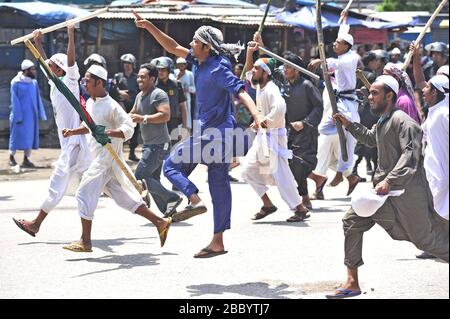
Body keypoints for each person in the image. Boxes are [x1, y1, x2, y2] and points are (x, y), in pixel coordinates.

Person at [134, 12, 261, 258]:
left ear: (205, 46)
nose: (190, 44)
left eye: (194, 41)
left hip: (214, 134)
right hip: (222, 136)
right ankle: (218, 241)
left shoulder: (218, 69)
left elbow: (241, 90)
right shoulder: (199, 61)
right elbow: (172, 46)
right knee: (219, 186)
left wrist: (256, 116)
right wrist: (149, 26)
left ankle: (193, 199)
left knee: (171, 165)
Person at [326, 75, 449, 299]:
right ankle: (352, 281)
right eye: (370, 93)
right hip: (382, 194)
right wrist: (349, 124)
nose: (370, 97)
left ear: (389, 95)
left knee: (426, 241)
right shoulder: (384, 120)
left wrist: (389, 181)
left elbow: (410, 156)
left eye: (374, 93)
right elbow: (372, 139)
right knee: (352, 221)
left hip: (407, 194)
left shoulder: (404, 121)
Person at [61, 65, 172, 252]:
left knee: (83, 192)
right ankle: (160, 222)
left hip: (106, 159)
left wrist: (108, 132)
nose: (84, 83)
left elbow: (128, 128)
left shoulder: (112, 105)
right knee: (122, 199)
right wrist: (73, 131)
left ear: (99, 82)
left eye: (87, 80)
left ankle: (85, 241)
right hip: (99, 157)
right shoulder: (90, 102)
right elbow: (90, 125)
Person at [12, 25, 92, 238]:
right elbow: (43, 61)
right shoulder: (55, 83)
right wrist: (38, 42)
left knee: (57, 183)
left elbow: (71, 61)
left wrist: (71, 34)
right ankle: (140, 199)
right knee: (100, 181)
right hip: (71, 143)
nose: (49, 67)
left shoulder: (71, 82)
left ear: (60, 68)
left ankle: (36, 223)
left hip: (75, 143)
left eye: (53, 65)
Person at [241, 52, 310, 222]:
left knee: (281, 174)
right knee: (247, 170)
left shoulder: (271, 89)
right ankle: (267, 205)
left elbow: (280, 108)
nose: (253, 71)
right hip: (263, 137)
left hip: (274, 137)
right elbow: (246, 73)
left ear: (266, 72)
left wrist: (263, 122)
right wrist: (250, 52)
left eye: (257, 68)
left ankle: (300, 208)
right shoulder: (259, 86)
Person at [308, 19, 361, 198]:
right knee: (332, 147)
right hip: (338, 107)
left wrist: (319, 61)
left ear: (346, 45)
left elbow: (336, 64)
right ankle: (347, 175)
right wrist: (344, 19)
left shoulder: (350, 58)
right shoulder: (342, 56)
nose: (334, 44)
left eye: (338, 42)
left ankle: (329, 176)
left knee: (329, 139)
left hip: (345, 108)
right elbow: (342, 35)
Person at [131, 63, 182, 217]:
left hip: (158, 144)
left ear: (152, 79)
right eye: (138, 76)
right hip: (149, 144)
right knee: (152, 178)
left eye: (143, 77)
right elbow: (131, 114)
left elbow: (165, 115)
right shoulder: (140, 96)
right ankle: (169, 209)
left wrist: (143, 118)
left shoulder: (158, 94)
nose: (139, 79)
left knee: (140, 177)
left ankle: (172, 197)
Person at [8, 59, 46, 168]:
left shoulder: (33, 83)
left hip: (31, 117)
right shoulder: (15, 82)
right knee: (15, 137)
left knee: (29, 138)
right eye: (32, 69)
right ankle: (11, 157)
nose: (34, 71)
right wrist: (17, 116)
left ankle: (26, 159)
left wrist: (41, 114)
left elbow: (38, 99)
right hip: (18, 116)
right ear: (26, 70)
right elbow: (14, 101)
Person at [153, 57, 187, 144]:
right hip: (158, 122)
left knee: (174, 145)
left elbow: (182, 106)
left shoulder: (177, 85)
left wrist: (184, 125)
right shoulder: (153, 86)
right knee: (158, 146)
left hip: (173, 121)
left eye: (163, 70)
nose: (160, 72)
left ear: (169, 70)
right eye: (159, 70)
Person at [114, 53, 140, 161]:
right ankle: (118, 153)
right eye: (125, 63)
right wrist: (120, 92)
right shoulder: (118, 76)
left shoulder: (137, 77)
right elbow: (112, 90)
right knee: (120, 129)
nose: (127, 65)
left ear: (133, 65)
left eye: (129, 63)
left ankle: (132, 153)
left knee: (135, 129)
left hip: (134, 107)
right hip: (121, 107)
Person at [175, 57, 195, 130]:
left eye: (182, 65)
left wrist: (187, 89)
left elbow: (194, 88)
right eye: (179, 65)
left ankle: (187, 130)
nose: (180, 67)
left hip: (186, 97)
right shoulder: (175, 72)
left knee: (187, 113)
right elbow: (172, 84)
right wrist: (177, 77)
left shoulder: (190, 74)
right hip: (176, 97)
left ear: (185, 65)